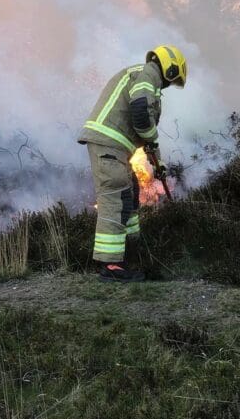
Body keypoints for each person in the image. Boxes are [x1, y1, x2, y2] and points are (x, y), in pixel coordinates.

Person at [77, 46, 187, 282]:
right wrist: (151, 139)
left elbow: (146, 132)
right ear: (170, 67)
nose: (170, 84)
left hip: (116, 148)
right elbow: (141, 114)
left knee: (131, 192)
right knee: (115, 198)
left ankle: (131, 250)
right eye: (173, 78)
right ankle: (111, 266)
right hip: (108, 144)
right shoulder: (147, 75)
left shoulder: (143, 76)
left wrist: (159, 163)